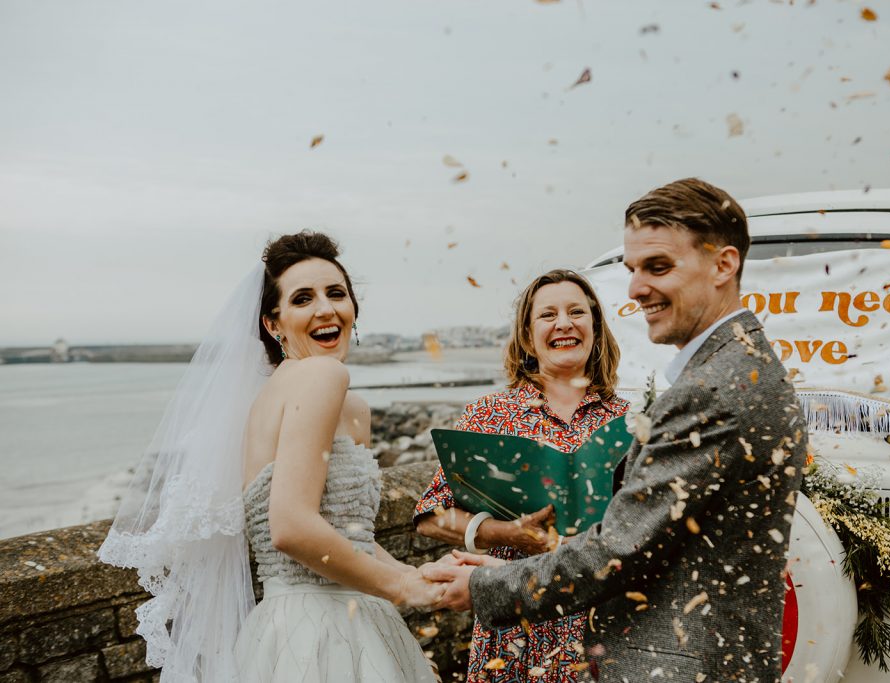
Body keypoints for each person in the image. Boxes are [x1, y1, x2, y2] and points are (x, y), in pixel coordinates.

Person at [426, 179, 808, 683]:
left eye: (659, 266)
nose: (635, 288)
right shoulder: (741, 367)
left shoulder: (709, 390)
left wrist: (484, 587)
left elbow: (620, 550)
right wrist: (500, 550)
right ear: (527, 333)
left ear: (723, 264)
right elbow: (658, 547)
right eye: (632, 271)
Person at [100, 231, 440, 682]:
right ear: (273, 324)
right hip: (322, 631)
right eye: (303, 299)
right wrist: (401, 588)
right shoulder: (322, 376)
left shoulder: (291, 398)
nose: (325, 308)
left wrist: (418, 573)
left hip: (288, 629)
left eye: (336, 293)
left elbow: (344, 533)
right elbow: (292, 527)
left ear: (353, 309)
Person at [414, 269, 630, 682]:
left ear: (596, 329)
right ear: (529, 338)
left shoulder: (627, 419)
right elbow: (430, 515)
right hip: (515, 628)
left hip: (603, 626)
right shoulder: (490, 414)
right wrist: (507, 533)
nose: (564, 323)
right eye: (548, 315)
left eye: (576, 313)